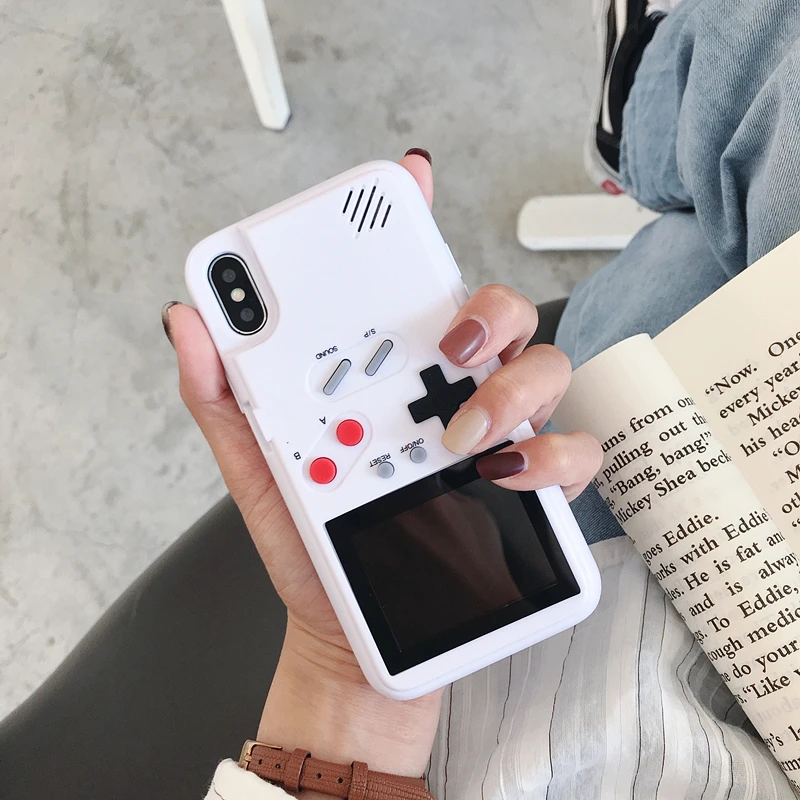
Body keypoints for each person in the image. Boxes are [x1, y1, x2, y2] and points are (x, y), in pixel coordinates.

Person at [163, 0, 800, 796]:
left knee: (711, 204)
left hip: (566, 685)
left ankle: (639, 114)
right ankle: (645, 119)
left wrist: (342, 684)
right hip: (698, 636)